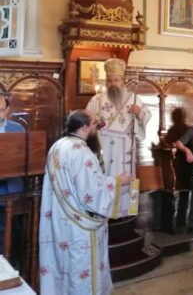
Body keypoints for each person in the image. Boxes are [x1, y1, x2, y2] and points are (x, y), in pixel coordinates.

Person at [39, 109, 134, 295]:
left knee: (63, 264)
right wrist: (117, 181)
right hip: (80, 226)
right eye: (95, 124)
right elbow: (91, 191)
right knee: (80, 268)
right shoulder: (82, 152)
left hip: (60, 219)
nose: (97, 128)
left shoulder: (57, 146)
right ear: (84, 127)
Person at [86, 58, 151, 178]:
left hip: (124, 147)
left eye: (116, 80)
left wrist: (139, 112)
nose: (113, 84)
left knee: (124, 178)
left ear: (123, 81)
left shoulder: (132, 99)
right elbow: (87, 120)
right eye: (109, 81)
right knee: (105, 176)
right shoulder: (96, 100)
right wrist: (95, 122)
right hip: (104, 145)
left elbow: (147, 115)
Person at [0, 93, 25, 256]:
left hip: (11, 189)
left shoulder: (17, 129)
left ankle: (7, 263)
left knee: (9, 231)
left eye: (1, 110)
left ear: (8, 110)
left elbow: (23, 157)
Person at [167, 107, 193, 233]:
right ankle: (180, 223)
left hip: (184, 165)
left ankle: (180, 223)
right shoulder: (177, 130)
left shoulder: (185, 129)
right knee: (182, 195)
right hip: (181, 165)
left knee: (184, 195)